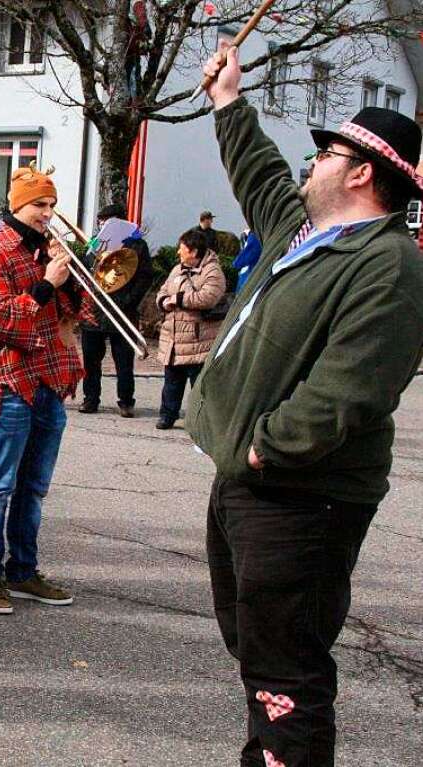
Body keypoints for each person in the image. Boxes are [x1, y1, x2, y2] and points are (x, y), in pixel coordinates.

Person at [192, 44, 423, 767]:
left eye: (327, 154)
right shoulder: (303, 229)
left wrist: (264, 445)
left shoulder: (386, 264)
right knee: (258, 652)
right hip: (247, 482)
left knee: (286, 668)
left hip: (299, 496)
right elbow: (257, 168)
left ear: (361, 172)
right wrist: (227, 98)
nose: (310, 161)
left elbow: (351, 388)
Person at [0, 163, 86, 615]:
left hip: (50, 378)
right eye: (40, 205)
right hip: (10, 378)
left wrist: (70, 278)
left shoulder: (49, 248)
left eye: (52, 205)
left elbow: (77, 312)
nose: (48, 213)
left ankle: (23, 570)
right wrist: (45, 284)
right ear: (18, 205)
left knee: (34, 486)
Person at [76, 203, 153, 417]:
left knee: (124, 361)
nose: (101, 225)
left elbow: (145, 275)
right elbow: (85, 271)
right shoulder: (96, 244)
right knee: (91, 360)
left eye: (106, 221)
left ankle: (126, 401)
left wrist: (129, 300)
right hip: (95, 309)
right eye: (101, 222)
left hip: (123, 310)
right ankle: (90, 399)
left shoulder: (137, 245)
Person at [153, 228, 225, 430]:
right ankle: (167, 415)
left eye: (182, 249)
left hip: (198, 341)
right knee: (171, 382)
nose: (178, 252)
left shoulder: (213, 271)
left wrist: (178, 299)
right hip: (174, 339)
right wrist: (163, 301)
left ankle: (201, 420)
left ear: (193, 251)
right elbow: (163, 291)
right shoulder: (177, 269)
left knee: (199, 385)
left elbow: (208, 297)